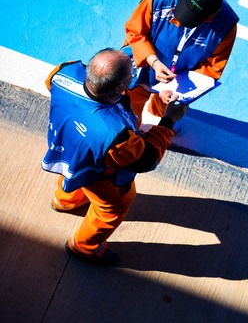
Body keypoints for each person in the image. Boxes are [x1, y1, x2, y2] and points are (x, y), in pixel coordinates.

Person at [42, 48, 188, 266]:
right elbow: (147, 159)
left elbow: (51, 86)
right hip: (97, 172)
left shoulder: (63, 71)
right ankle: (84, 247)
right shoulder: (115, 136)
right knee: (111, 209)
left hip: (66, 149)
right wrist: (168, 122)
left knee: (71, 175)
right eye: (132, 74)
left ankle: (63, 201)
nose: (134, 75)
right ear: (120, 87)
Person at [123, 0, 239, 126]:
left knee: (168, 110)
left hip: (180, 74)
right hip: (143, 59)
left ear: (210, 16)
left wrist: (176, 90)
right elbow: (136, 32)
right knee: (128, 112)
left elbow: (211, 68)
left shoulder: (226, 26)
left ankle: (158, 115)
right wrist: (154, 62)